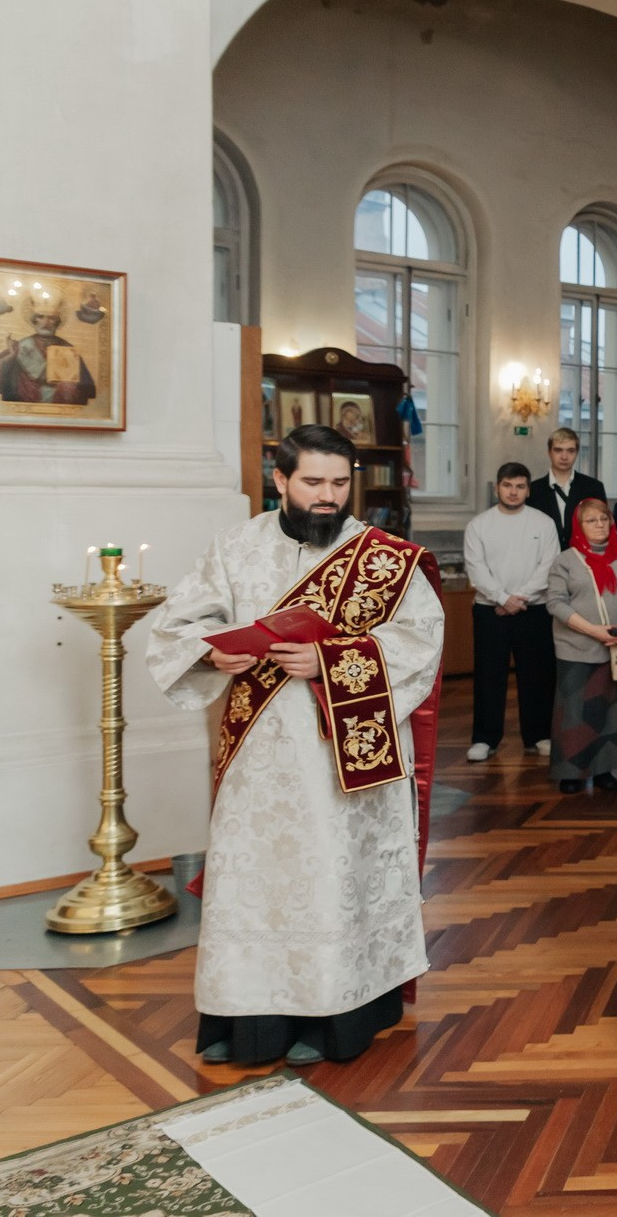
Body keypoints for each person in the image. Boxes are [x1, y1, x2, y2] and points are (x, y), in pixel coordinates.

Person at [146, 424, 444, 1066]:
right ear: (280, 480)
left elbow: (421, 643)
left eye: (340, 483)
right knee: (255, 882)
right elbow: (178, 627)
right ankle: (246, 1020)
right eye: (313, 482)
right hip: (256, 757)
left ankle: (337, 1017)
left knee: (333, 880)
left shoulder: (384, 558)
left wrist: (331, 659)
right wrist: (213, 651)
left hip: (342, 760)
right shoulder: (236, 548)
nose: (329, 496)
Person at [545, 497, 617, 797]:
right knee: (575, 713)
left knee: (613, 713)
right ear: (579, 526)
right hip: (577, 647)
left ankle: (605, 770)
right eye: (592, 520)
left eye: (604, 519)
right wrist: (594, 631)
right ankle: (572, 772)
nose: (600, 525)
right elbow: (555, 603)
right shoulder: (566, 560)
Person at [461, 462, 559, 764]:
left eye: (519, 486)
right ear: (497, 488)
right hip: (491, 612)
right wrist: (503, 598)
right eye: (507, 485)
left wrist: (519, 599)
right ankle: (484, 739)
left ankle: (539, 735)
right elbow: (476, 570)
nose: (513, 491)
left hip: (534, 609)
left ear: (528, 490)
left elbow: (549, 566)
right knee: (489, 676)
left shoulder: (543, 523)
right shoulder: (478, 525)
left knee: (537, 676)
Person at [0, 290, 98, 405]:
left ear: (57, 322)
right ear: (34, 320)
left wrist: (68, 385)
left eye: (51, 318)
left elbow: (88, 388)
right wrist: (11, 356)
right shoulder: (20, 346)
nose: (46, 322)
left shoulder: (67, 348)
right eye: (41, 317)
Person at [526, 427, 608, 549]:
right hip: (545, 556)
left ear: (577, 453)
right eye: (558, 450)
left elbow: (603, 526)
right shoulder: (534, 490)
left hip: (584, 556)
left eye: (571, 451)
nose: (564, 457)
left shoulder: (593, 487)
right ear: (549, 452)